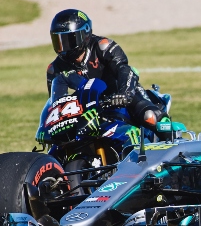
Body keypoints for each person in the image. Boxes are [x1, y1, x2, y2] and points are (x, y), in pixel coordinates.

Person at [46, 9, 168, 137]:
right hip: (90, 107)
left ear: (84, 34)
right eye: (58, 41)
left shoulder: (103, 46)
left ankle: (176, 141)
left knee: (150, 116)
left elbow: (124, 69)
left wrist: (124, 94)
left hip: (123, 95)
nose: (63, 48)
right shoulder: (54, 68)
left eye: (68, 40)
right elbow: (54, 104)